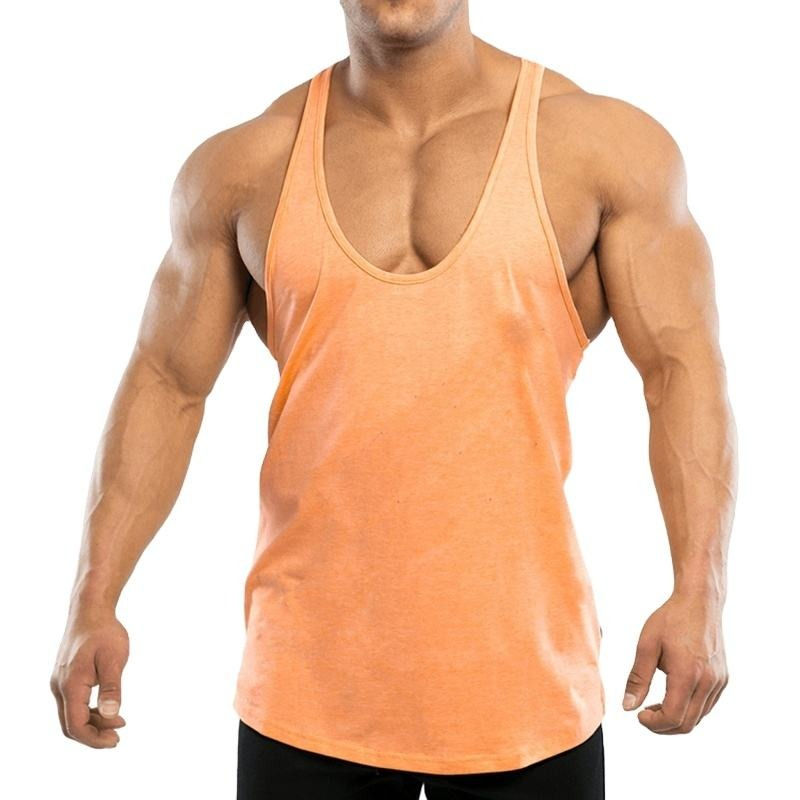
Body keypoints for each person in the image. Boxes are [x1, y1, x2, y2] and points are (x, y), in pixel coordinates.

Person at [50, 1, 737, 797]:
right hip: (303, 700)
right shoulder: (245, 167)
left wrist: (701, 592)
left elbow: (682, 370)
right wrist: (92, 598)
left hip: (527, 695)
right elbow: (167, 382)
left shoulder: (601, 150)